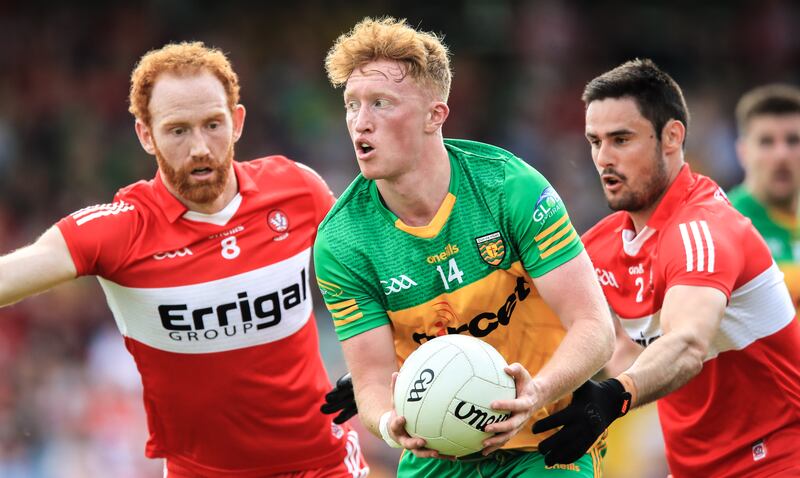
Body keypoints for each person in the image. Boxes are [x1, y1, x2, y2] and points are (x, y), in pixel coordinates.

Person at [0, 41, 368, 477]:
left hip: (323, 463)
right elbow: (19, 270)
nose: (199, 148)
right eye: (177, 131)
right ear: (146, 135)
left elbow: (378, 267)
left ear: (237, 122)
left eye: (213, 124)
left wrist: (379, 368)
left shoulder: (297, 189)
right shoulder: (121, 230)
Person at [314, 17, 615, 477]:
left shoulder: (508, 188)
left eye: (381, 103)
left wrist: (537, 392)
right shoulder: (342, 241)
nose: (361, 123)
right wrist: (390, 425)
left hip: (544, 440)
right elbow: (371, 381)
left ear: (435, 115)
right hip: (435, 451)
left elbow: (594, 327)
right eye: (351, 105)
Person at [533, 59, 800, 477]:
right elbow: (612, 349)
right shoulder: (603, 245)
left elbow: (686, 344)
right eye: (595, 141)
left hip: (779, 459)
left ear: (672, 137)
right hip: (694, 467)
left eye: (621, 139)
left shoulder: (704, 230)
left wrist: (615, 396)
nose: (604, 158)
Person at [728, 84, 800, 308]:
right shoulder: (726, 224)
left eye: (793, 140)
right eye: (766, 142)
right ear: (743, 152)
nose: (781, 154)